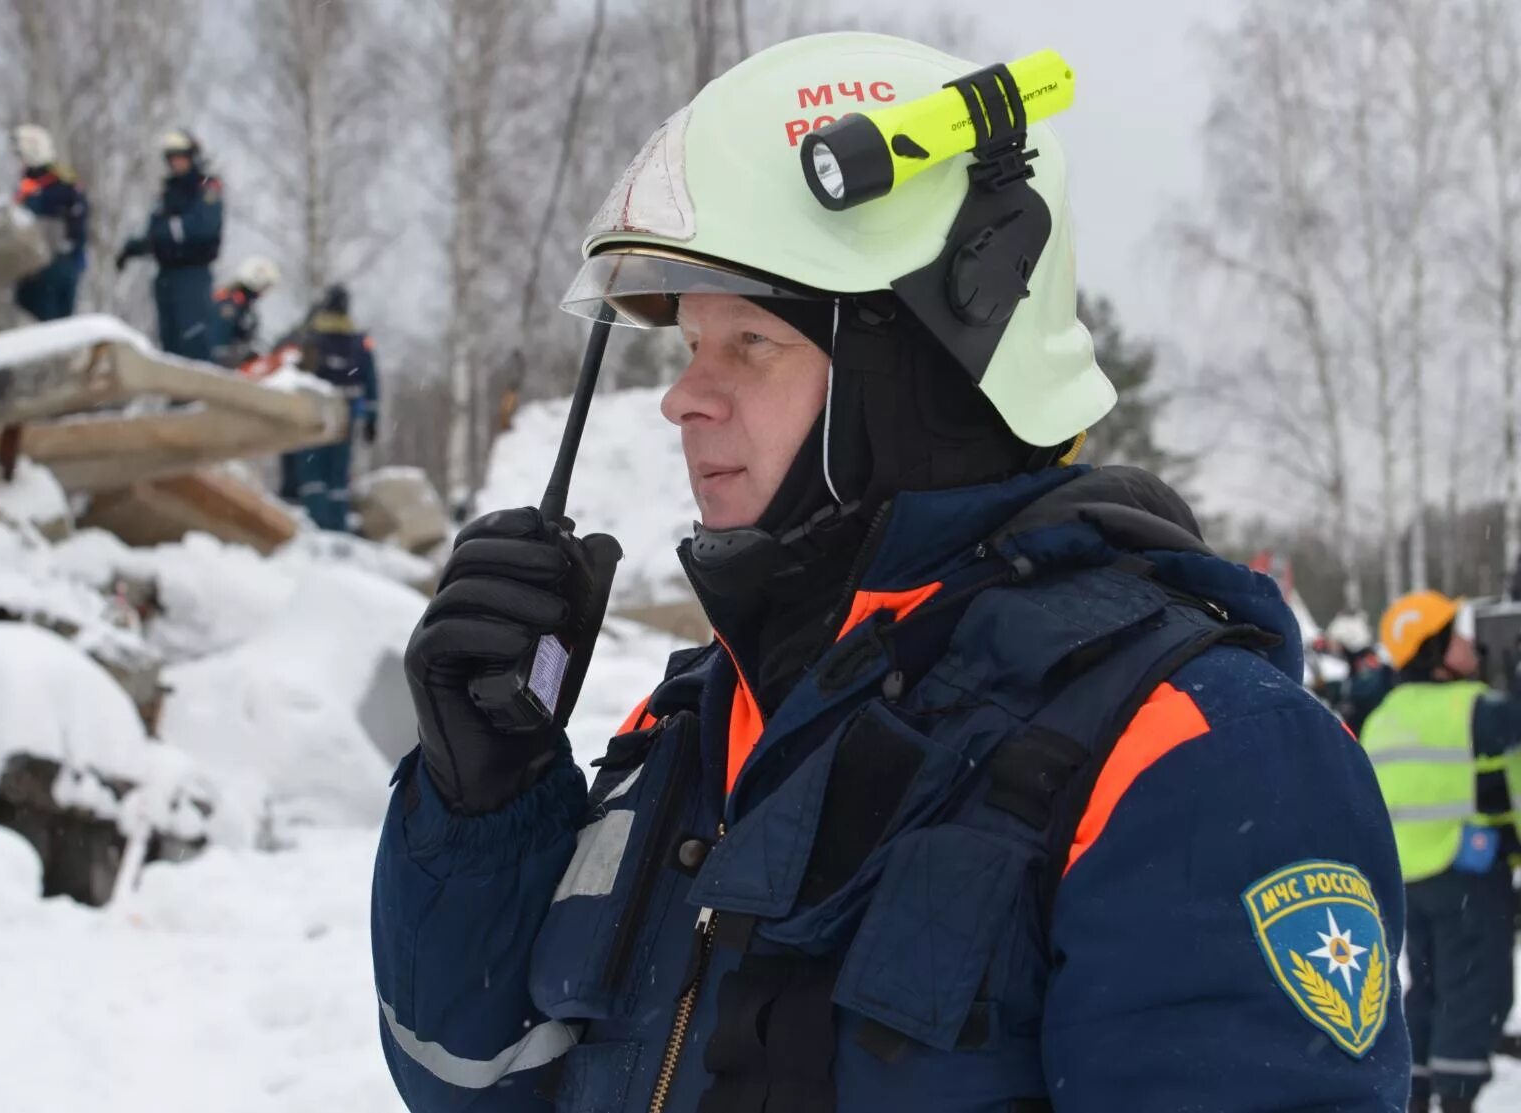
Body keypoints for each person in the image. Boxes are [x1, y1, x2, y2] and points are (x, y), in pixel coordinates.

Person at [373, 33, 1409, 1112]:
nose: (685, 397)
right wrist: (482, 811)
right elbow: (485, 1089)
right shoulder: (694, 733)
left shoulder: (1190, 751)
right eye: (686, 347)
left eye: (751, 344)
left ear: (917, 368)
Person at [1361, 591, 1521, 1112]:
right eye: (1456, 635)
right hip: (1468, 873)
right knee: (1475, 995)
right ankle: (1456, 1102)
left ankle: (1415, 1095)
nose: (1470, 642)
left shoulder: (1382, 716)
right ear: (1434, 651)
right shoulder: (1475, 707)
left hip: (1408, 880)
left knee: (1424, 993)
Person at [116, 129, 223, 360]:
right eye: (172, 158)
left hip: (192, 273)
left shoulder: (205, 186)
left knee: (193, 336)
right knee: (170, 341)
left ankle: (200, 391)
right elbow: (155, 231)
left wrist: (167, 231)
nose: (176, 163)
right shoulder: (168, 191)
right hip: (166, 273)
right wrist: (133, 249)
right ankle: (177, 394)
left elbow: (201, 226)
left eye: (181, 157)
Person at [292, 284, 376, 531]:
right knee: (338, 472)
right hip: (345, 411)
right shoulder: (358, 341)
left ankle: (315, 525)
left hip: (315, 410)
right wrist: (372, 418)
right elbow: (371, 381)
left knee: (313, 470)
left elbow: (298, 374)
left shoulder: (311, 337)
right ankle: (337, 526)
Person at [10, 124, 88, 321]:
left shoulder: (59, 186)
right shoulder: (29, 187)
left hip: (53, 267)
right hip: (34, 269)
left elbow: (75, 226)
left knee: (51, 328)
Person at [209, 255, 281, 369]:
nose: (265, 292)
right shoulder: (229, 303)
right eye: (266, 286)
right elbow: (218, 345)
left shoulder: (246, 307)